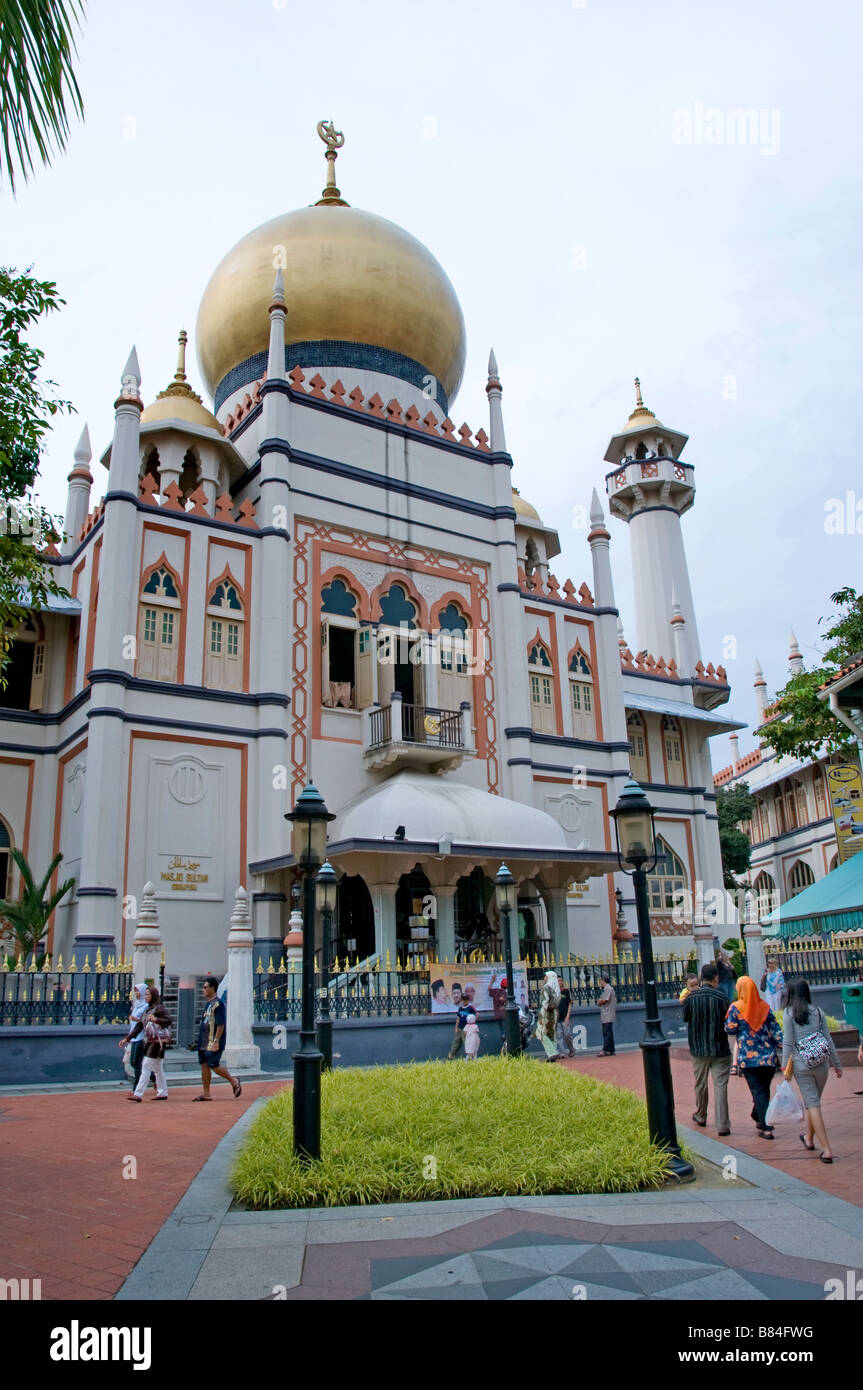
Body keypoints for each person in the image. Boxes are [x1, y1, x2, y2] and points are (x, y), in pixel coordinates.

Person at [782, 977, 842, 1163]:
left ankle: (826, 1149)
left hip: (802, 1064)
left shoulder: (789, 1013)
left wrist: (785, 1066)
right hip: (821, 1063)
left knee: (813, 1104)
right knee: (813, 1102)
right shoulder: (817, 1011)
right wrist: (837, 1064)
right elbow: (828, 1039)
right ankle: (808, 1138)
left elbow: (788, 1042)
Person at [724, 976, 783, 1139]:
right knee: (763, 1090)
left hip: (748, 1058)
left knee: (758, 1091)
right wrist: (782, 1045)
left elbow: (730, 1029)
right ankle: (758, 1116)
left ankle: (767, 1127)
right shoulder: (765, 1007)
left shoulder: (735, 1008)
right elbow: (776, 1029)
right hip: (768, 1057)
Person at [682, 962, 732, 1135]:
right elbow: (729, 1020)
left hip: (698, 1048)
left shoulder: (691, 998)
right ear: (716, 978)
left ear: (701, 978)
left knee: (700, 1084)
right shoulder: (722, 997)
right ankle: (723, 1124)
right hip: (720, 1048)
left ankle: (701, 1114)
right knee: (721, 1086)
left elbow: (685, 1018)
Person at [195, 975, 242, 1101]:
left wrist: (216, 1040)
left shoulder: (218, 1004)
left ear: (212, 988)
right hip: (203, 1041)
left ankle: (233, 1081)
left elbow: (220, 1023)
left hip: (212, 1041)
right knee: (204, 1065)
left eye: (205, 987)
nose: (203, 990)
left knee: (214, 1064)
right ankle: (206, 1093)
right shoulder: (208, 1005)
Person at [128, 985, 171, 1102]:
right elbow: (140, 1025)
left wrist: (156, 1019)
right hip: (150, 1041)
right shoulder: (147, 1009)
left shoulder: (159, 1009)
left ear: (153, 996)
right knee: (157, 1068)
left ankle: (138, 1093)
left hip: (158, 1041)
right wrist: (128, 1038)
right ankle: (163, 1092)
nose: (146, 996)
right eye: (145, 994)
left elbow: (168, 1020)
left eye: (148, 994)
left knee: (146, 1065)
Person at [119, 982, 156, 1093]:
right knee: (134, 1063)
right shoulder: (137, 1005)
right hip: (134, 1036)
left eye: (138, 991)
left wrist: (137, 1020)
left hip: (141, 1037)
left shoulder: (146, 1006)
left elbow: (144, 1022)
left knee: (137, 1063)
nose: (136, 993)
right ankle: (154, 1078)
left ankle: (137, 1089)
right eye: (135, 991)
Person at [536, 968, 562, 1060]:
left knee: (542, 1033)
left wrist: (541, 1014)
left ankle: (552, 1053)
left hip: (546, 1013)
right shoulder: (556, 988)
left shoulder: (546, 987)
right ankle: (552, 1053)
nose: (544, 978)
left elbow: (545, 1002)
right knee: (552, 1034)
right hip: (555, 1013)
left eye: (546, 976)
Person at [447, 990, 472, 1060]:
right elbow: (458, 1018)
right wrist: (456, 1027)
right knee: (455, 1043)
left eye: (465, 1000)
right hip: (459, 1029)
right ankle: (451, 1056)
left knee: (466, 1044)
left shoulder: (470, 1008)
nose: (464, 1002)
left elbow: (476, 1015)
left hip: (466, 1029)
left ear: (468, 1000)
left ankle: (470, 1057)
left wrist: (471, 1026)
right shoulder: (460, 1008)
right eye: (463, 1000)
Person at [597, 973, 617, 1056]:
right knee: (609, 1032)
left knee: (606, 1032)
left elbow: (604, 1000)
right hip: (607, 1013)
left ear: (603, 980)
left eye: (601, 980)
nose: (600, 982)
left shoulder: (608, 989)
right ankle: (611, 1049)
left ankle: (605, 1049)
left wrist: (599, 1001)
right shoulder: (607, 989)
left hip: (607, 1013)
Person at [557, 977, 576, 1058]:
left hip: (565, 1017)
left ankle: (572, 1049)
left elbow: (570, 1003)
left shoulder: (566, 991)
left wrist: (568, 1016)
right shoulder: (554, 992)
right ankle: (561, 1053)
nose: (559, 982)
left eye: (561, 980)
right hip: (557, 1018)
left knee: (567, 1034)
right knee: (559, 1036)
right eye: (558, 981)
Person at [488, 972, 508, 1043]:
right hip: (504, 1015)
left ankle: (503, 1036)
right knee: (505, 1029)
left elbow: (489, 989)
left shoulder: (496, 991)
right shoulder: (506, 994)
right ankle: (504, 1037)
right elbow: (505, 1002)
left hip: (497, 1014)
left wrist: (492, 980)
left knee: (501, 1028)